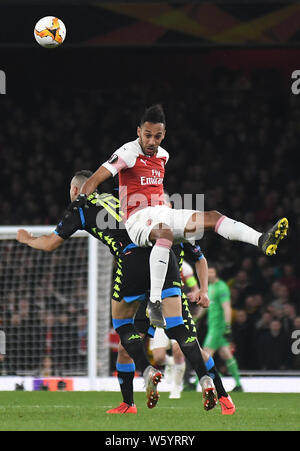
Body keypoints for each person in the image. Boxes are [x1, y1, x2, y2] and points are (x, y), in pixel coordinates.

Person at [16, 170, 218, 411]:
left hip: (131, 260)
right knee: (165, 333)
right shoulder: (118, 195)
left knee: (122, 325)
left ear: (74, 190)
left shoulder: (79, 209)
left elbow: (50, 243)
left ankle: (146, 373)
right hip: (158, 255)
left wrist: (27, 239)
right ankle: (196, 384)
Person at [76, 104, 289, 329]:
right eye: (147, 135)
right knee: (164, 233)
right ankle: (154, 302)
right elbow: (96, 179)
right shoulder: (127, 153)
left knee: (212, 217)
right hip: (137, 220)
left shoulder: (164, 156)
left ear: (164, 135)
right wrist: (81, 197)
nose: (151, 141)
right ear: (139, 131)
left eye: (157, 136)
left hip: (162, 213)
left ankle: (261, 239)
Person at [199, 264, 243, 392]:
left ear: (216, 273)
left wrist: (228, 327)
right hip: (213, 326)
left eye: (212, 272)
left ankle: (197, 382)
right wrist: (196, 318)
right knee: (226, 354)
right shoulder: (209, 287)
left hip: (218, 327)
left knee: (205, 354)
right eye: (208, 272)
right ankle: (239, 384)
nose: (210, 274)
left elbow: (226, 307)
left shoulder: (222, 287)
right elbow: (206, 307)